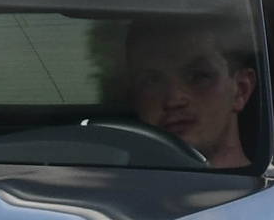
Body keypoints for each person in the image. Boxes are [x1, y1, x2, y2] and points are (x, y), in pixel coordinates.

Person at [95, 15, 259, 169]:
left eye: (197, 76)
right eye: (151, 82)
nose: (173, 100)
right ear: (134, 98)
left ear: (241, 90)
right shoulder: (112, 187)